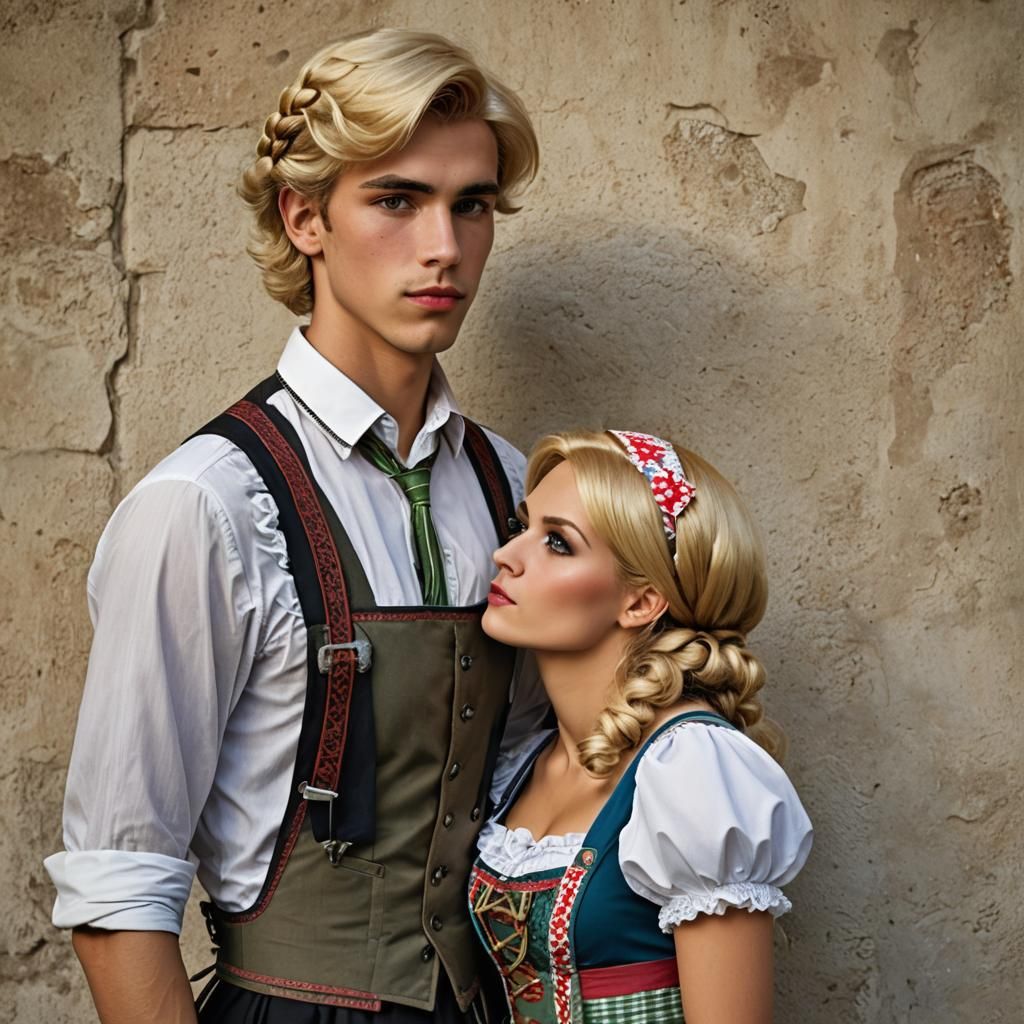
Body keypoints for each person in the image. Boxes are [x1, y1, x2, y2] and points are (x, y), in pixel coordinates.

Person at [44, 29, 544, 1024]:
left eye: (471, 204)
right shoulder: (205, 504)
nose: (444, 245)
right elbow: (116, 890)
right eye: (397, 200)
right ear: (304, 216)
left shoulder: (518, 488)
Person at [470, 430, 814, 1023]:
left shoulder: (694, 774)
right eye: (520, 527)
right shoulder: (523, 757)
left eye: (557, 542)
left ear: (640, 602)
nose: (507, 555)